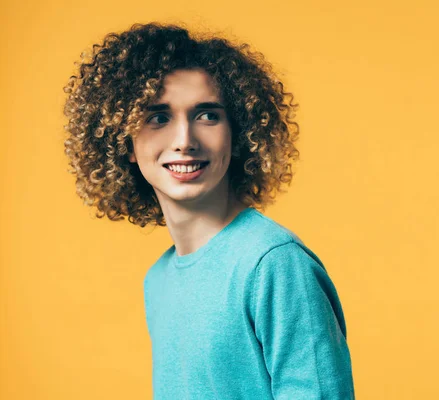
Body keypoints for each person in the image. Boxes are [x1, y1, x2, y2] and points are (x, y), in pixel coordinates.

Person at [62, 22, 355, 399]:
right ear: (126, 145)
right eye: (158, 117)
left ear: (239, 136)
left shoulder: (274, 264)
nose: (184, 141)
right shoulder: (159, 279)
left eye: (207, 116)